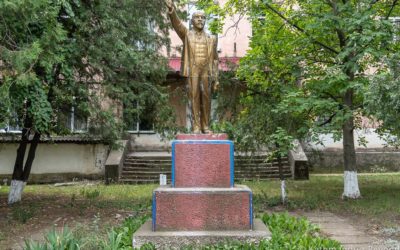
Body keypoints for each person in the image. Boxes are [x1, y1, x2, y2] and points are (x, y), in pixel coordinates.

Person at [165, 0, 219, 134]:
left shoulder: (212, 38)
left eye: (203, 17)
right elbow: (177, 25)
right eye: (197, 17)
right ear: (192, 20)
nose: (200, 19)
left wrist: (216, 79)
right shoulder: (187, 34)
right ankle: (195, 126)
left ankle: (205, 126)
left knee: (206, 99)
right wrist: (172, 11)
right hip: (193, 69)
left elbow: (215, 60)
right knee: (194, 97)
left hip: (206, 70)